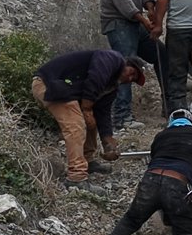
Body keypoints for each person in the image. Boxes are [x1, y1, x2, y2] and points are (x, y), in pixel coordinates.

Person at [31, 50, 146, 186]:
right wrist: (86, 109)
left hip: (65, 88)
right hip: (50, 84)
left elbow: (103, 113)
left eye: (133, 79)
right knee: (76, 126)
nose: (130, 78)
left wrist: (108, 142)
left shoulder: (111, 87)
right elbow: (95, 78)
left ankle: (87, 160)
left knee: (92, 121)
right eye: (132, 73)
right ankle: (76, 176)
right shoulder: (112, 58)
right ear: (126, 64)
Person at [98, 0, 167, 129]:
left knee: (161, 54)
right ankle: (122, 117)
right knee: (125, 67)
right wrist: (145, 19)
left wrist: (150, 7)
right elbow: (121, 0)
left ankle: (169, 101)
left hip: (134, 20)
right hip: (119, 22)